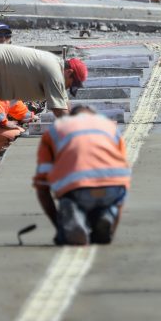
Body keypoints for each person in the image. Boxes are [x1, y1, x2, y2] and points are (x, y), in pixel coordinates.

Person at [0, 44, 87, 169]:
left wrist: (30, 117)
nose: (68, 88)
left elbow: (63, 103)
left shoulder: (54, 67)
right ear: (69, 72)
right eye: (71, 84)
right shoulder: (55, 72)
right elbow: (59, 110)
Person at [33, 105, 130, 245]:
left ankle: (73, 220)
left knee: (73, 203)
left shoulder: (55, 130)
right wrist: (111, 233)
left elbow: (42, 185)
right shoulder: (110, 127)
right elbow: (122, 174)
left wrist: (59, 226)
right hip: (113, 188)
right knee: (108, 204)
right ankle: (108, 214)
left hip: (77, 190)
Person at [0, 22, 37, 156]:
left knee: (27, 134)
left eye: (7, 35)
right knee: (20, 138)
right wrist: (4, 123)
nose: (3, 39)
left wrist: (29, 117)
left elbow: (11, 101)